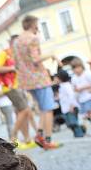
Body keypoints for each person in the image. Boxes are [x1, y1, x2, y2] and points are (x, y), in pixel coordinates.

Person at [12, 16, 60, 150]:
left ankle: (39, 135)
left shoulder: (16, 41)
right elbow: (35, 59)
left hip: (26, 81)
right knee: (48, 108)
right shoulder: (33, 38)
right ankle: (47, 140)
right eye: (37, 25)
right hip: (39, 78)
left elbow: (16, 63)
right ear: (33, 25)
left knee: (42, 108)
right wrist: (51, 55)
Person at [0, 35, 36, 149]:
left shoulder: (18, 55)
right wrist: (12, 68)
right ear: (13, 43)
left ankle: (27, 139)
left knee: (23, 112)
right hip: (10, 87)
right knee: (24, 110)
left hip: (19, 86)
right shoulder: (5, 53)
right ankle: (13, 137)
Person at [70, 59, 91, 135]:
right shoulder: (74, 78)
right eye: (74, 68)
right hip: (81, 99)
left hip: (89, 97)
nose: (76, 70)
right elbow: (74, 88)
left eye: (78, 67)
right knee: (85, 116)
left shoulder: (86, 74)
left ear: (82, 67)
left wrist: (81, 88)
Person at [56, 69, 84, 138]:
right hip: (65, 108)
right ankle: (76, 134)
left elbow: (71, 95)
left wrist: (72, 105)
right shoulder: (61, 86)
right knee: (69, 123)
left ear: (60, 78)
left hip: (70, 107)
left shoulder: (66, 85)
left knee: (73, 122)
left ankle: (79, 134)